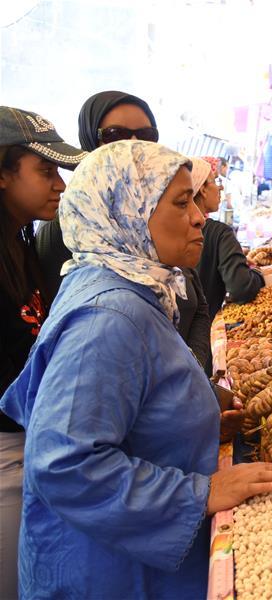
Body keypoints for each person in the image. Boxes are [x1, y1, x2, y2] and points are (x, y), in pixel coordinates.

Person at [0, 141, 272, 599]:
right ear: (127, 213)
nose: (199, 216)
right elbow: (64, 463)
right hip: (104, 577)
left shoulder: (125, 285)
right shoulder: (109, 316)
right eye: (181, 203)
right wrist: (200, 493)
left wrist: (189, 425)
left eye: (196, 200)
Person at [35, 90, 212, 371]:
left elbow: (197, 305)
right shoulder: (102, 308)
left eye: (146, 134)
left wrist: (192, 374)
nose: (134, 144)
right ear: (90, 140)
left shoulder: (162, 230)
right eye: (116, 134)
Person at [0, 106, 86, 600]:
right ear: (2, 174)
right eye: (46, 171)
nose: (60, 185)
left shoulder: (21, 241)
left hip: (29, 440)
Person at [191, 156, 266, 326]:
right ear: (202, 189)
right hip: (203, 333)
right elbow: (242, 288)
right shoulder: (220, 233)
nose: (221, 186)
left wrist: (233, 260)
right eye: (215, 181)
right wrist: (259, 275)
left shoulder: (168, 233)